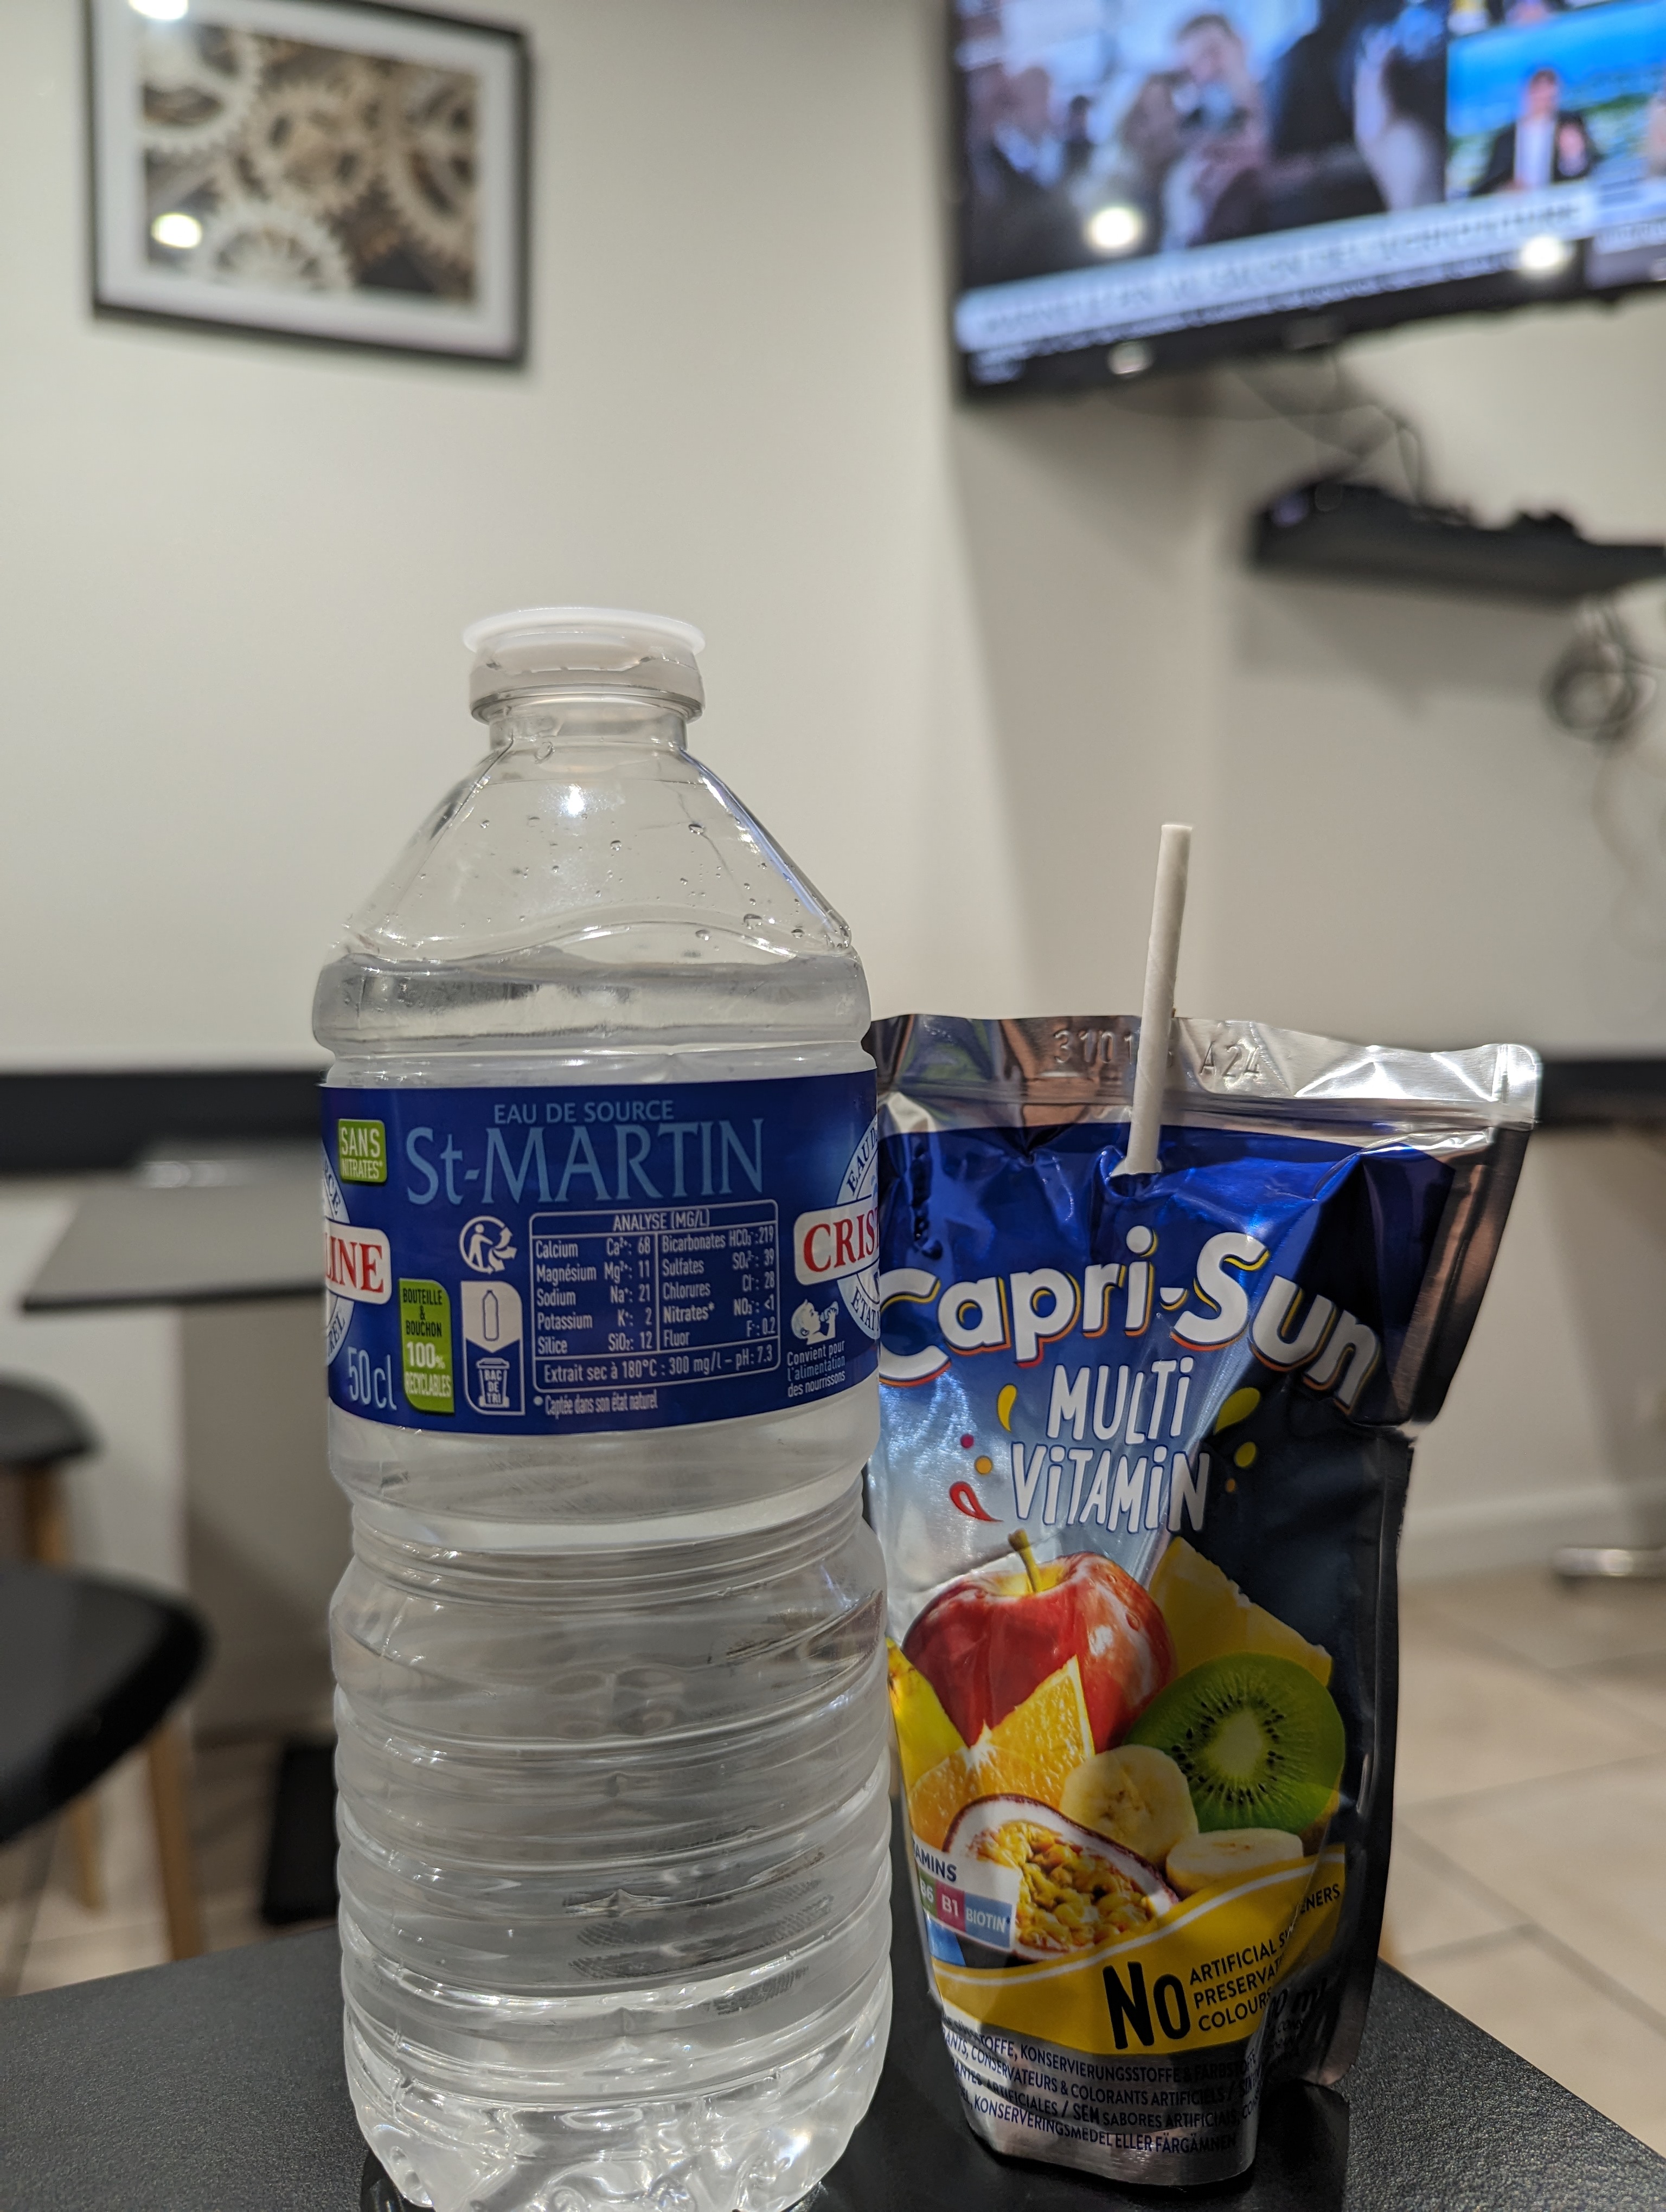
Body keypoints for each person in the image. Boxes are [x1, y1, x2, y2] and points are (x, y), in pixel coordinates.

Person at [1471, 66, 1587, 193]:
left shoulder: (1571, 125)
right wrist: (1505, 189)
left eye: (1549, 96)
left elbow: (1588, 170)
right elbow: (1488, 183)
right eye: (1539, 92)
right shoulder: (1506, 138)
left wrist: (1573, 157)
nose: (1544, 100)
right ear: (1527, 93)